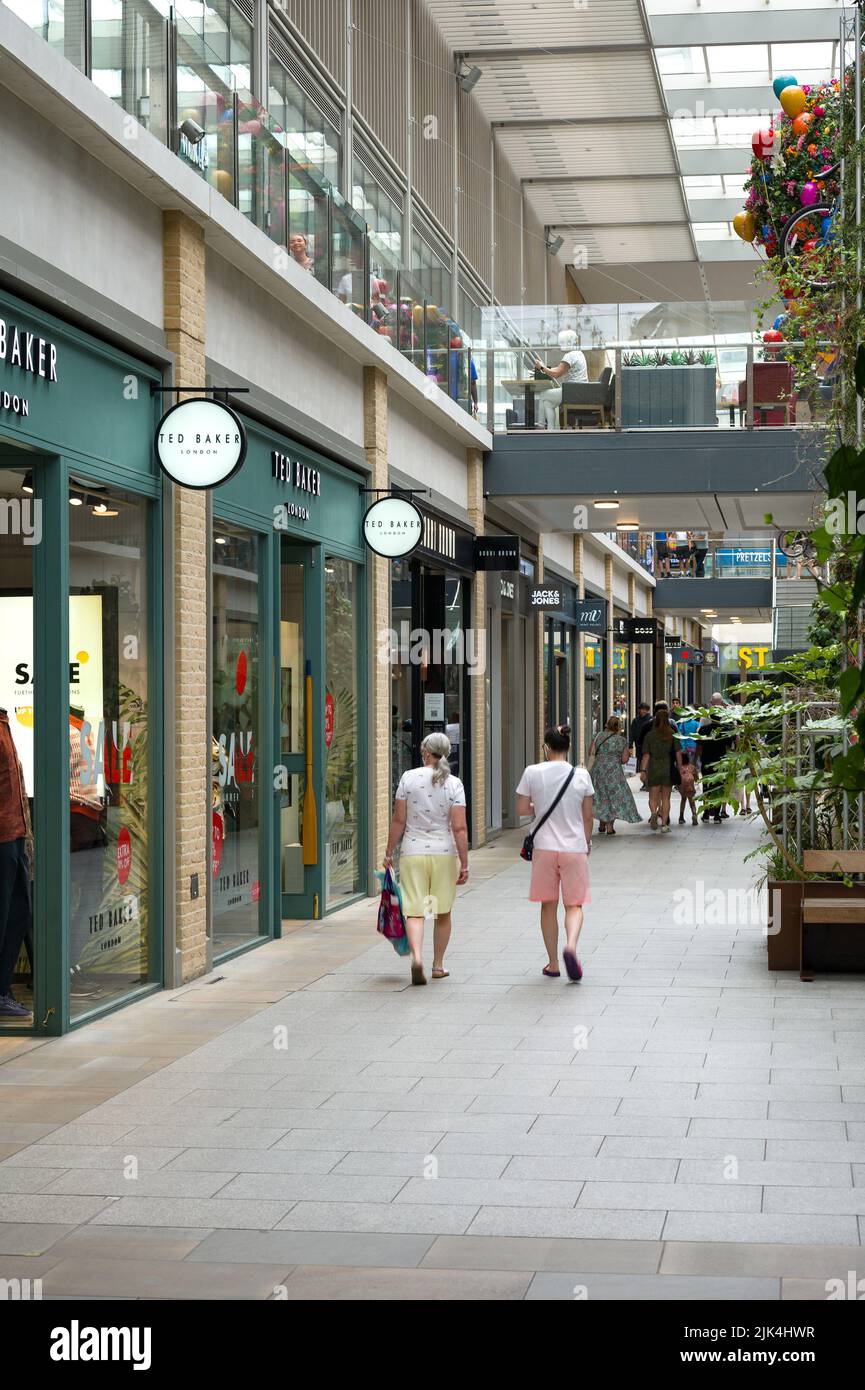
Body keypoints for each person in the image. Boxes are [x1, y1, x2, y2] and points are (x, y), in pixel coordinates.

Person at [384, 732, 468, 986]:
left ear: (425, 753)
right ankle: (438, 965)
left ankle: (417, 958)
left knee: (415, 911)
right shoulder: (454, 784)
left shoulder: (408, 779)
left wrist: (388, 853)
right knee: (442, 912)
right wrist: (464, 862)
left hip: (413, 853)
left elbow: (399, 820)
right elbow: (459, 827)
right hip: (443, 855)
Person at [516, 725, 593, 982]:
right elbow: (587, 816)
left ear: (546, 748)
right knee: (574, 904)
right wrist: (587, 842)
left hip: (544, 848)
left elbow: (521, 810)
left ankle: (552, 963)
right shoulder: (582, 776)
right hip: (574, 848)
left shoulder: (532, 772)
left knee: (548, 905)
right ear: (568, 747)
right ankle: (570, 946)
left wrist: (538, 805)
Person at [588, 716, 642, 835]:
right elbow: (624, 759)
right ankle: (610, 827)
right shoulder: (621, 740)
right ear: (618, 727)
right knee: (612, 797)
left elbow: (590, 752)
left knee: (600, 795)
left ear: (607, 724)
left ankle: (602, 824)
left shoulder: (598, 736)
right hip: (614, 771)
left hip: (598, 770)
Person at [533, 330, 588, 431]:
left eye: (562, 342)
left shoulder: (570, 355)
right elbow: (558, 369)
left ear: (569, 342)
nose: (560, 345)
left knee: (543, 394)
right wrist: (543, 369)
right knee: (548, 403)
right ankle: (551, 430)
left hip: (572, 391)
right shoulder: (579, 353)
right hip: (579, 391)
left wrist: (542, 368)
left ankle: (540, 426)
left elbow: (556, 373)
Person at [641, 704, 682, 834]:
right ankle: (664, 824)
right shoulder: (673, 735)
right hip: (668, 768)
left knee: (653, 797)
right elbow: (678, 753)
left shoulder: (650, 736)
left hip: (654, 768)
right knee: (666, 798)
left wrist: (643, 771)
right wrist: (680, 768)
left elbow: (646, 755)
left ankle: (654, 812)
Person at [698, 693, 736, 824]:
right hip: (721, 760)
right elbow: (731, 744)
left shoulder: (703, 728)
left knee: (707, 785)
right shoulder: (725, 729)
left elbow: (699, 742)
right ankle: (718, 814)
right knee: (719, 785)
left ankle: (707, 812)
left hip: (706, 760)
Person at [629, 700, 654, 775]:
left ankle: (647, 781)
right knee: (641, 763)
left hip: (649, 745)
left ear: (647, 710)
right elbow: (632, 733)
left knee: (648, 763)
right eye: (641, 709)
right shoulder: (636, 720)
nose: (643, 711)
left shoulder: (651, 719)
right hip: (639, 745)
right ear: (639, 710)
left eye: (645, 709)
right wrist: (630, 745)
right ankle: (644, 780)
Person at [677, 751, 699, 826]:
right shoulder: (692, 767)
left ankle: (681, 817)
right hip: (690, 786)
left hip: (682, 786)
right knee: (692, 802)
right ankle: (694, 814)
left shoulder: (679, 767)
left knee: (683, 799)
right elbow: (696, 778)